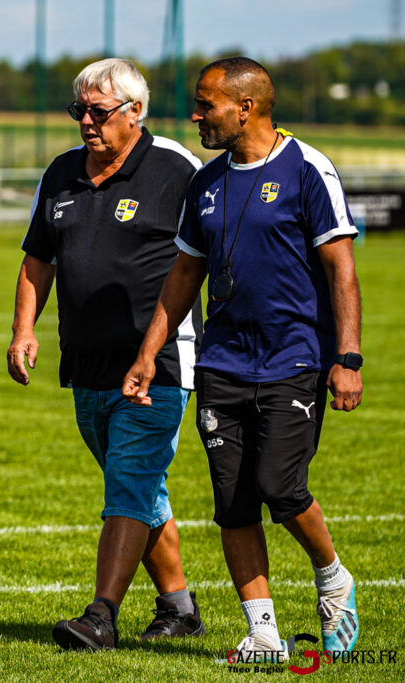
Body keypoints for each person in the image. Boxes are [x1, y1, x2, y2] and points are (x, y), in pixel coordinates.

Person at [122, 57, 362, 660]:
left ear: (246, 107)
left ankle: (333, 578)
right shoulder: (205, 182)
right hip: (221, 365)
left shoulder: (308, 168)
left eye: (207, 105)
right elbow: (182, 276)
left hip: (294, 360)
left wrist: (349, 357)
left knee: (281, 488)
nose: (196, 115)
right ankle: (263, 634)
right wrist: (149, 355)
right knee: (233, 505)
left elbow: (342, 270)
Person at [7, 57, 205, 651]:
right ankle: (179, 606)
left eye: (99, 112)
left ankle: (101, 615)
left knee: (128, 484)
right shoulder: (62, 171)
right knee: (142, 490)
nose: (87, 123)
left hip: (159, 365)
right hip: (86, 364)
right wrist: (24, 329)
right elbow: (37, 259)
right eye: (79, 112)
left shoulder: (178, 170)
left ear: (135, 111)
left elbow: (209, 258)